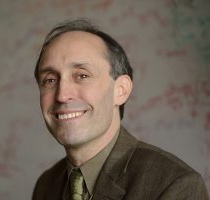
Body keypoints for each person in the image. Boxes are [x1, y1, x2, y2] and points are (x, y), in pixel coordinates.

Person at [32, 19, 209, 200]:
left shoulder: (175, 185)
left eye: (82, 75)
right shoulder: (46, 185)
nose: (62, 95)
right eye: (50, 80)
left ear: (121, 90)